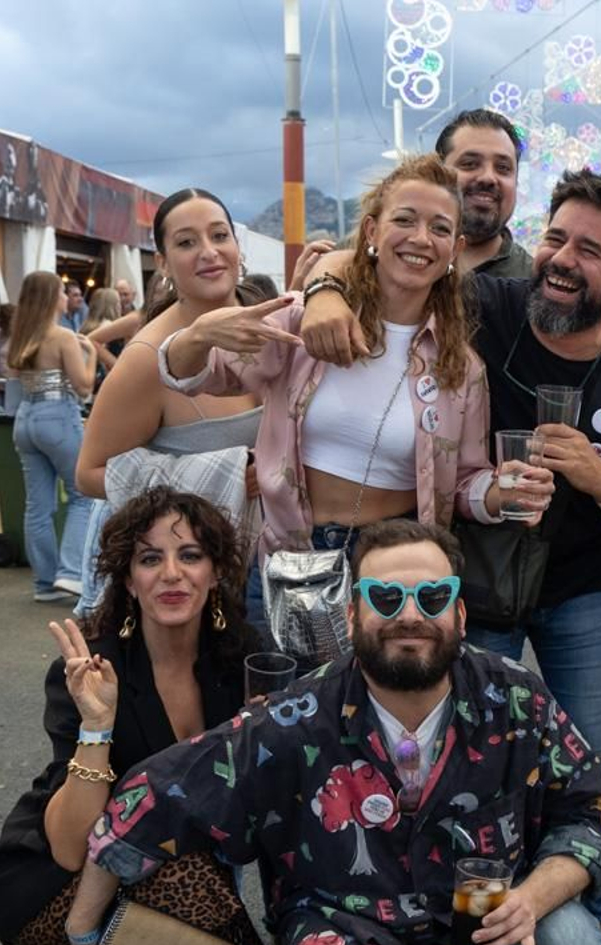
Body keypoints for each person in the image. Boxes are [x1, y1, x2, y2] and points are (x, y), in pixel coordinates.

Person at [296, 170, 601, 945]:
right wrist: (323, 283)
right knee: (450, 753)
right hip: (470, 577)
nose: (562, 260)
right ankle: (445, 933)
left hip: (580, 587)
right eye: (555, 238)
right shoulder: (492, 306)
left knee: (599, 755)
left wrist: (599, 476)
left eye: (590, 249)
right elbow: (382, 259)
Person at [60, 519, 601, 945]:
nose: (411, 616)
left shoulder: (515, 697)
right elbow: (156, 793)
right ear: (352, 616)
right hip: (350, 930)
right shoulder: (298, 716)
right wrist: (85, 926)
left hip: (482, 922)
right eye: (387, 597)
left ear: (460, 614)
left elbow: (588, 810)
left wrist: (531, 899)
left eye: (433, 596)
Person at [0, 488, 270, 945]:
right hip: (56, 884)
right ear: (128, 580)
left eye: (189, 555)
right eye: (149, 558)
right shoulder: (95, 667)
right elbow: (67, 845)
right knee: (181, 861)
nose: (171, 574)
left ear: (216, 572)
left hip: (169, 879)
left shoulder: (240, 661)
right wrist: (97, 724)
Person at [156, 156, 545, 561]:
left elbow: (463, 482)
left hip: (395, 565)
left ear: (455, 250)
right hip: (292, 555)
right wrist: (197, 336)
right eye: (405, 220)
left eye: (440, 228)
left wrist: (505, 491)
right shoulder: (302, 320)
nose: (422, 239)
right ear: (372, 230)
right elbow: (197, 374)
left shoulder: (462, 368)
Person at [74, 189, 263, 619]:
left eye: (219, 235)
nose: (209, 253)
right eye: (186, 242)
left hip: (276, 568)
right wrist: (224, 476)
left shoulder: (273, 326)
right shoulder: (147, 358)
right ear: (162, 262)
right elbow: (88, 474)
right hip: (190, 591)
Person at [6, 270, 97, 602]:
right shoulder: (62, 336)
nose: (66, 296)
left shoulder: (20, 336)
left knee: (37, 505)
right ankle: (71, 573)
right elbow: (84, 386)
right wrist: (93, 356)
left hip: (25, 418)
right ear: (51, 298)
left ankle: (44, 583)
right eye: (61, 291)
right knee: (83, 494)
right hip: (58, 416)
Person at [436, 109, 533, 278]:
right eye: (470, 163)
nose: (488, 178)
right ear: (436, 174)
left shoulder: (534, 287)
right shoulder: (398, 264)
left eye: (503, 168)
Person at [80, 286, 125, 371]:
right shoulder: (108, 326)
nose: (120, 306)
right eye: (118, 302)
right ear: (113, 306)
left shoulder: (84, 327)